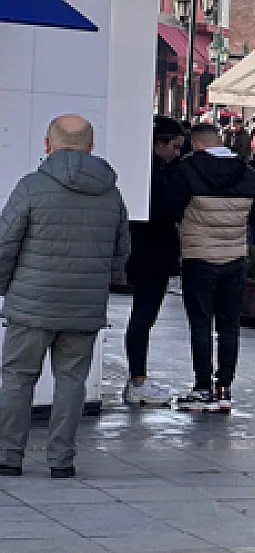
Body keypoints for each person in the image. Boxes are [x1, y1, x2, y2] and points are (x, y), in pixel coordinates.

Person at [0, 115, 130, 478]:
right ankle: (61, 460)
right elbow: (121, 253)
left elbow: (4, 244)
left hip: (30, 306)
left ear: (47, 144)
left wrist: (4, 288)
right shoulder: (112, 193)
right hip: (84, 309)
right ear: (91, 147)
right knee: (72, 381)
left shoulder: (31, 187)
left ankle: (9, 456)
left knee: (17, 378)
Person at [166, 123, 255, 412]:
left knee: (200, 324)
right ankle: (224, 388)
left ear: (196, 144)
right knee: (229, 326)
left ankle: (201, 387)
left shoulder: (187, 170)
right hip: (235, 256)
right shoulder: (247, 172)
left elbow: (171, 208)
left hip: (198, 256)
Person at [123, 116, 185, 407]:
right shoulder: (155, 175)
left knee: (143, 318)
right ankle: (137, 381)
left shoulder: (148, 169)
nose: (177, 152)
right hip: (151, 254)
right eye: (174, 146)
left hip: (147, 252)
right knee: (143, 317)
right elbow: (167, 209)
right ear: (159, 143)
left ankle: (137, 378)